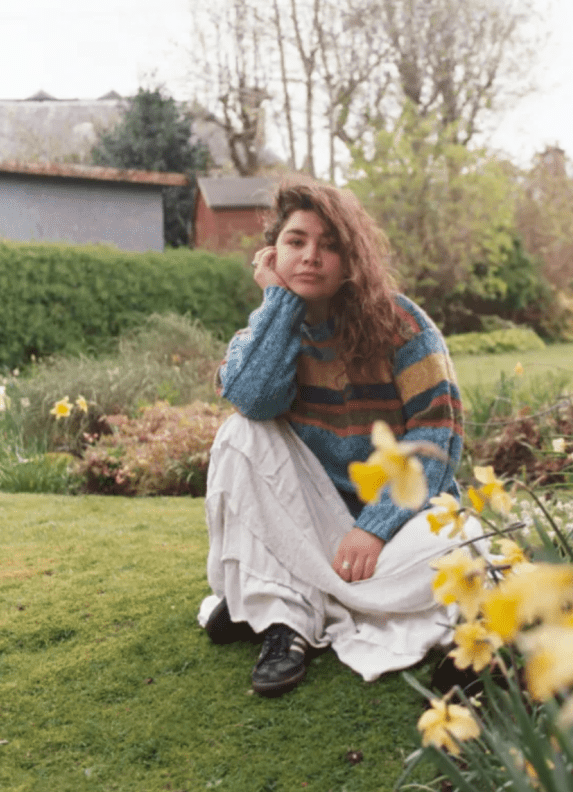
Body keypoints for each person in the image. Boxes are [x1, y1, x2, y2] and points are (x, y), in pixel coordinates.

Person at [200, 180, 467, 696]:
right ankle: (287, 623)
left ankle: (285, 593)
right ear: (271, 253)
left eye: (329, 244)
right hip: (309, 519)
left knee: (460, 544)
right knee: (238, 433)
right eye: (296, 241)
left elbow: (439, 433)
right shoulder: (268, 330)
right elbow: (254, 401)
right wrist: (279, 303)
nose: (310, 256)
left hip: (392, 526)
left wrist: (376, 527)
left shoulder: (402, 325)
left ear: (351, 259)